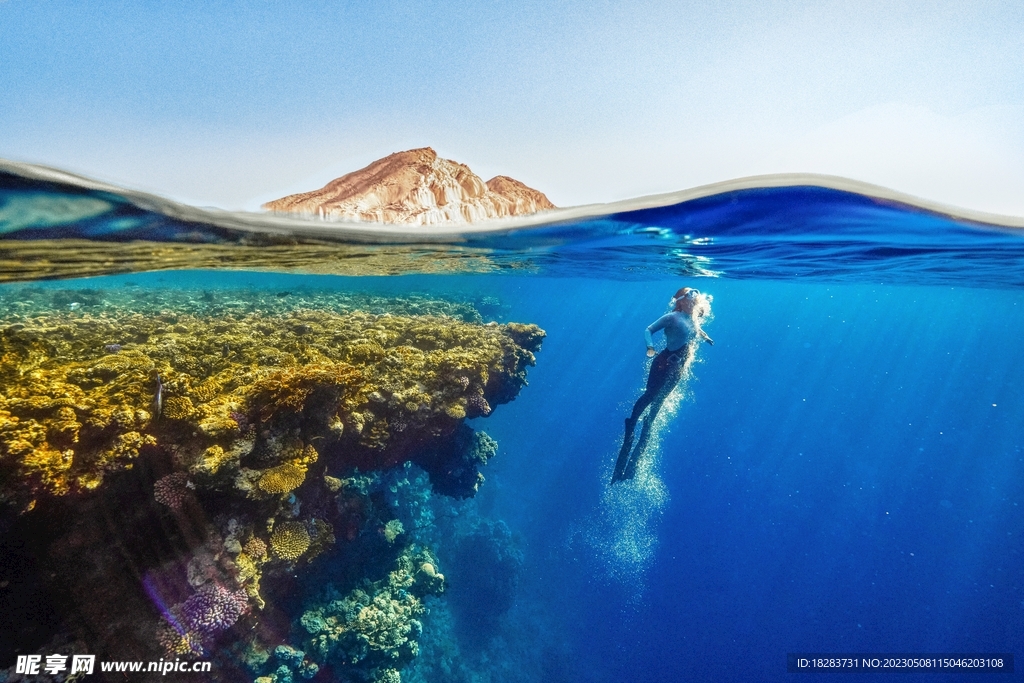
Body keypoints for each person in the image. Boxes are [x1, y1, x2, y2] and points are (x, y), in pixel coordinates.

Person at [611, 287, 713, 484]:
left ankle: (646, 430)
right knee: (650, 395)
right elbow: (648, 330)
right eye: (690, 296)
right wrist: (650, 347)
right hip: (663, 363)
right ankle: (632, 423)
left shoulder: (693, 319)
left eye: (695, 297)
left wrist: (705, 337)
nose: (695, 299)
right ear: (681, 300)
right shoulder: (672, 317)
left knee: (660, 401)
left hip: (677, 369)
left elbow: (695, 329)